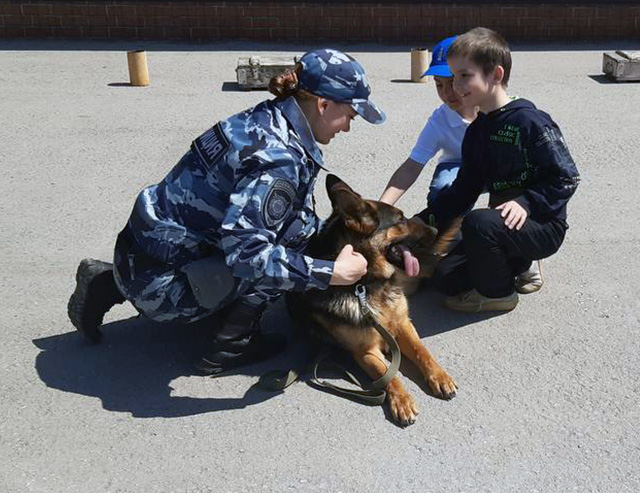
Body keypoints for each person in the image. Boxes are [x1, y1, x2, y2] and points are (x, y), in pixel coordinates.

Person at [67, 49, 385, 375]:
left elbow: (290, 217)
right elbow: (249, 255)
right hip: (159, 283)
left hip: (144, 252)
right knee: (283, 253)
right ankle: (232, 344)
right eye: (351, 116)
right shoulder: (279, 159)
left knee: (295, 233)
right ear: (323, 104)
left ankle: (109, 281)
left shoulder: (271, 119)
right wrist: (331, 272)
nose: (347, 127)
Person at [415, 27, 580, 313]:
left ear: (496, 75)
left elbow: (567, 176)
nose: (455, 86)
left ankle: (500, 295)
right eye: (453, 77)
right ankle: (514, 264)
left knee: (477, 223)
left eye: (465, 76)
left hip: (541, 224)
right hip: (503, 228)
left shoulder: (531, 122)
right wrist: (421, 220)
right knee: (444, 279)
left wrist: (526, 202)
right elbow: (463, 191)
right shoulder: (477, 132)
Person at [378, 36, 477, 208]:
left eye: (452, 82)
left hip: (497, 163)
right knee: (441, 190)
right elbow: (411, 167)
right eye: (439, 84)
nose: (447, 94)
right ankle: (449, 231)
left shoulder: (497, 111)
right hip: (457, 164)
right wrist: (381, 208)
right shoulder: (440, 121)